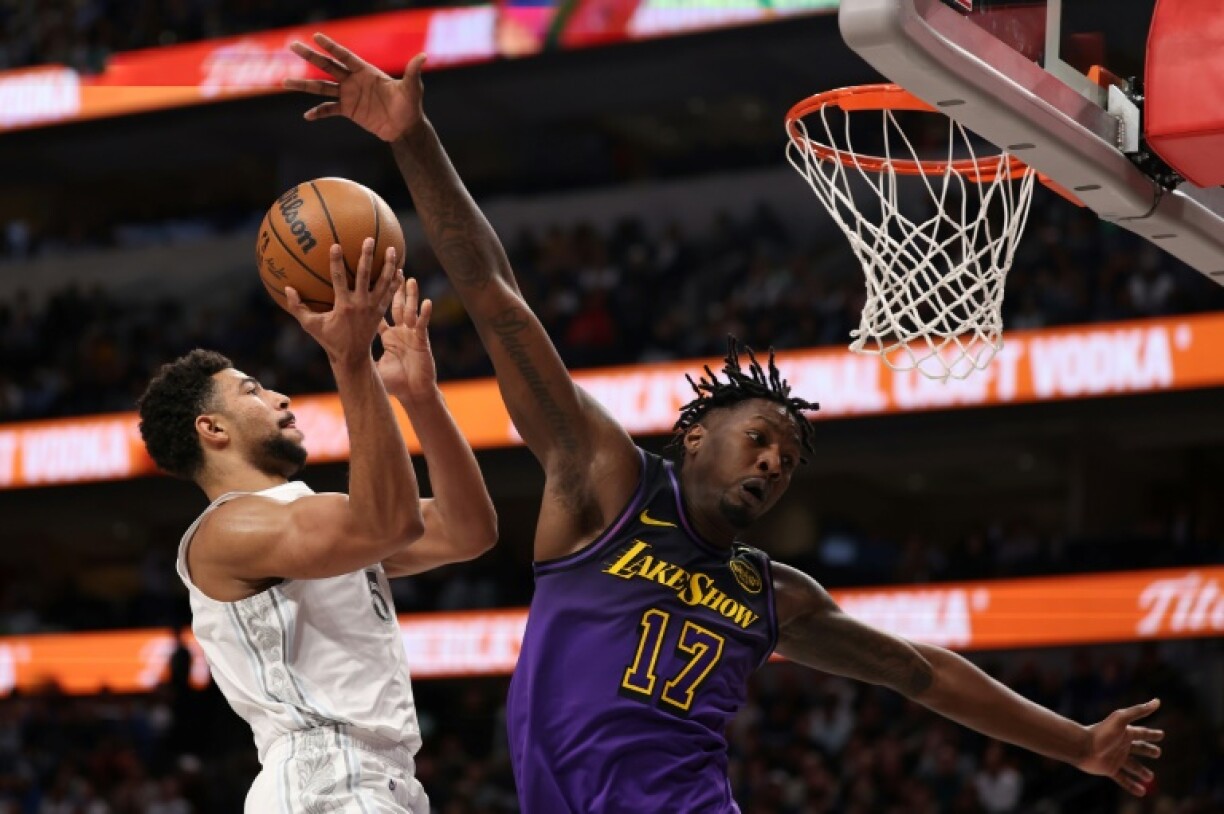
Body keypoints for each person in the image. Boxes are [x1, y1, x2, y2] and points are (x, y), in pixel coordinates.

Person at [285, 34, 1165, 811]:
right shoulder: (604, 485)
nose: (774, 464)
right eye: (761, 440)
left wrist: (1078, 743)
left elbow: (921, 672)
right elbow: (493, 293)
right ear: (697, 435)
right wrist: (414, 138)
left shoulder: (772, 595)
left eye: (786, 460)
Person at [136, 241, 497, 813]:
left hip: (380, 778)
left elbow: (468, 529)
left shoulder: (315, 519)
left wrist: (421, 398)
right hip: (324, 779)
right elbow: (389, 521)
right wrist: (351, 361)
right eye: (252, 391)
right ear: (212, 428)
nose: (280, 396)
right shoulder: (225, 534)